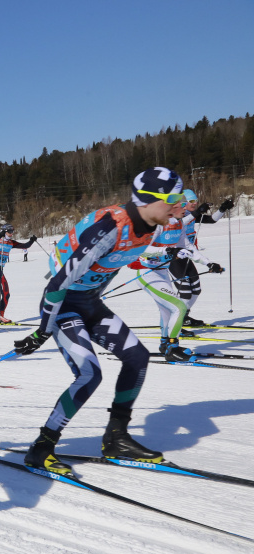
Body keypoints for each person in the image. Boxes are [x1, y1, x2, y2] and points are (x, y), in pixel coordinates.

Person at [14, 167, 184, 476]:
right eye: (173, 199)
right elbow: (57, 285)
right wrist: (42, 331)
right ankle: (42, 447)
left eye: (181, 198)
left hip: (90, 303)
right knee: (89, 374)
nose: (178, 207)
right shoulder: (109, 228)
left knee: (138, 357)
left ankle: (116, 438)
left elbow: (129, 258)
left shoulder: (149, 226)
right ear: (147, 199)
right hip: (64, 304)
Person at [134, 194, 223, 361]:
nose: (186, 209)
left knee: (167, 310)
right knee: (179, 307)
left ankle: (164, 344)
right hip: (147, 273)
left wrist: (208, 263)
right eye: (183, 206)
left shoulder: (178, 224)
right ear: (171, 208)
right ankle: (173, 348)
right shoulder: (159, 224)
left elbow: (188, 246)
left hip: (162, 272)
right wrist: (168, 251)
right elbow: (143, 248)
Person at [170, 190, 232, 327]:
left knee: (196, 289)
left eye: (196, 200)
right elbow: (181, 223)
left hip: (189, 254)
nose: (195, 203)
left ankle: (183, 316)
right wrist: (197, 212)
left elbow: (212, 220)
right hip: (173, 257)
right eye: (192, 201)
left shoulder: (191, 215)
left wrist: (222, 209)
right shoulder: (176, 217)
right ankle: (176, 320)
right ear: (183, 204)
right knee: (185, 290)